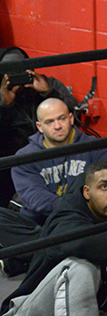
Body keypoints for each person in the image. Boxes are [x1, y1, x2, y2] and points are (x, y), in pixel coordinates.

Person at [0, 160, 107, 315]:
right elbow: (84, 241)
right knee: (81, 266)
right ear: (86, 192)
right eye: (104, 187)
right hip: (29, 311)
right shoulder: (65, 217)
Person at [0, 98, 107, 277]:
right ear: (39, 127)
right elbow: (35, 200)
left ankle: (36, 256)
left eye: (61, 118)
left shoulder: (97, 149)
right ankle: (67, 250)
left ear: (71, 118)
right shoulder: (24, 157)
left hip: (82, 222)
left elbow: (106, 190)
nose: (57, 126)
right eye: (49, 122)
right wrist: (74, 207)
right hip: (42, 225)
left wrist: (76, 213)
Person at [0, 48, 78, 208]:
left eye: (21, 72)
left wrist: (48, 92)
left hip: (51, 153)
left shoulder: (48, 83)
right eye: (11, 74)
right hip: (12, 157)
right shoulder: (2, 92)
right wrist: (4, 106)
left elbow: (74, 112)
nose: (18, 78)